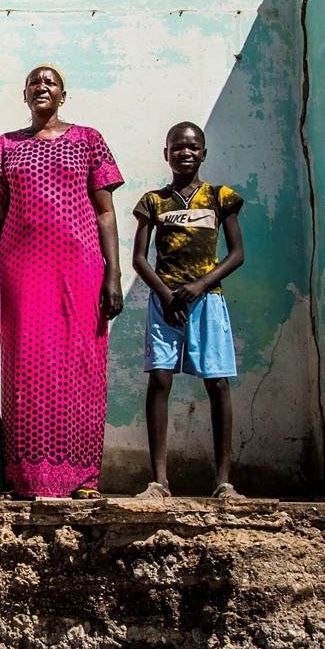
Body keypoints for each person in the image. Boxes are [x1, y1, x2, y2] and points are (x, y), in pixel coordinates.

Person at [0, 65, 126, 499]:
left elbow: (105, 212)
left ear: (63, 95)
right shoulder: (6, 146)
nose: (43, 86)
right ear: (24, 96)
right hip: (22, 272)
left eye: (51, 82)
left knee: (82, 366)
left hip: (81, 271)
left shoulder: (88, 140)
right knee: (25, 366)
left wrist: (112, 274)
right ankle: (22, 480)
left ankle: (84, 480)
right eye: (34, 83)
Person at [130, 121, 246, 498]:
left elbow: (237, 254)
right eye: (177, 146)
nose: (185, 152)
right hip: (165, 304)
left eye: (193, 147)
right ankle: (159, 480)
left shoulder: (220, 197)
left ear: (204, 153)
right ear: (166, 154)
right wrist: (165, 295)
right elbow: (140, 259)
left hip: (207, 301)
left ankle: (223, 481)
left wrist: (198, 286)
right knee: (160, 379)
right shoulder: (153, 201)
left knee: (217, 381)